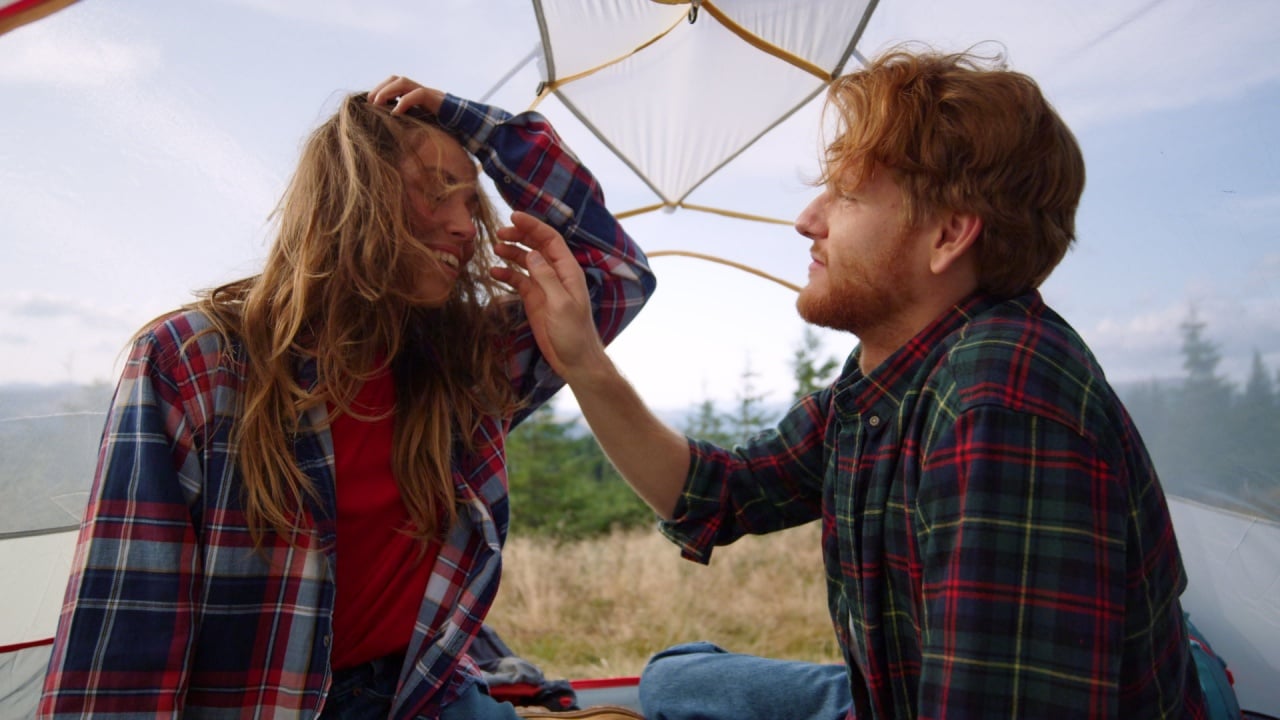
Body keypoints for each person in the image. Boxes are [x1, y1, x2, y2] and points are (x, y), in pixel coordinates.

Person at [495, 47, 1209, 719]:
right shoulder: (890, 375)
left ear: (949, 236)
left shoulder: (1000, 399)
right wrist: (581, 358)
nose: (808, 221)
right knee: (671, 680)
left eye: (845, 197)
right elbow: (720, 491)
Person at [37, 76, 655, 720]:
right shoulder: (198, 360)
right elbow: (127, 624)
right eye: (434, 191)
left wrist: (485, 131)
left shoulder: (466, 364)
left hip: (428, 696)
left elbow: (616, 274)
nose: (463, 226)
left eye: (471, 204)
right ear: (351, 196)